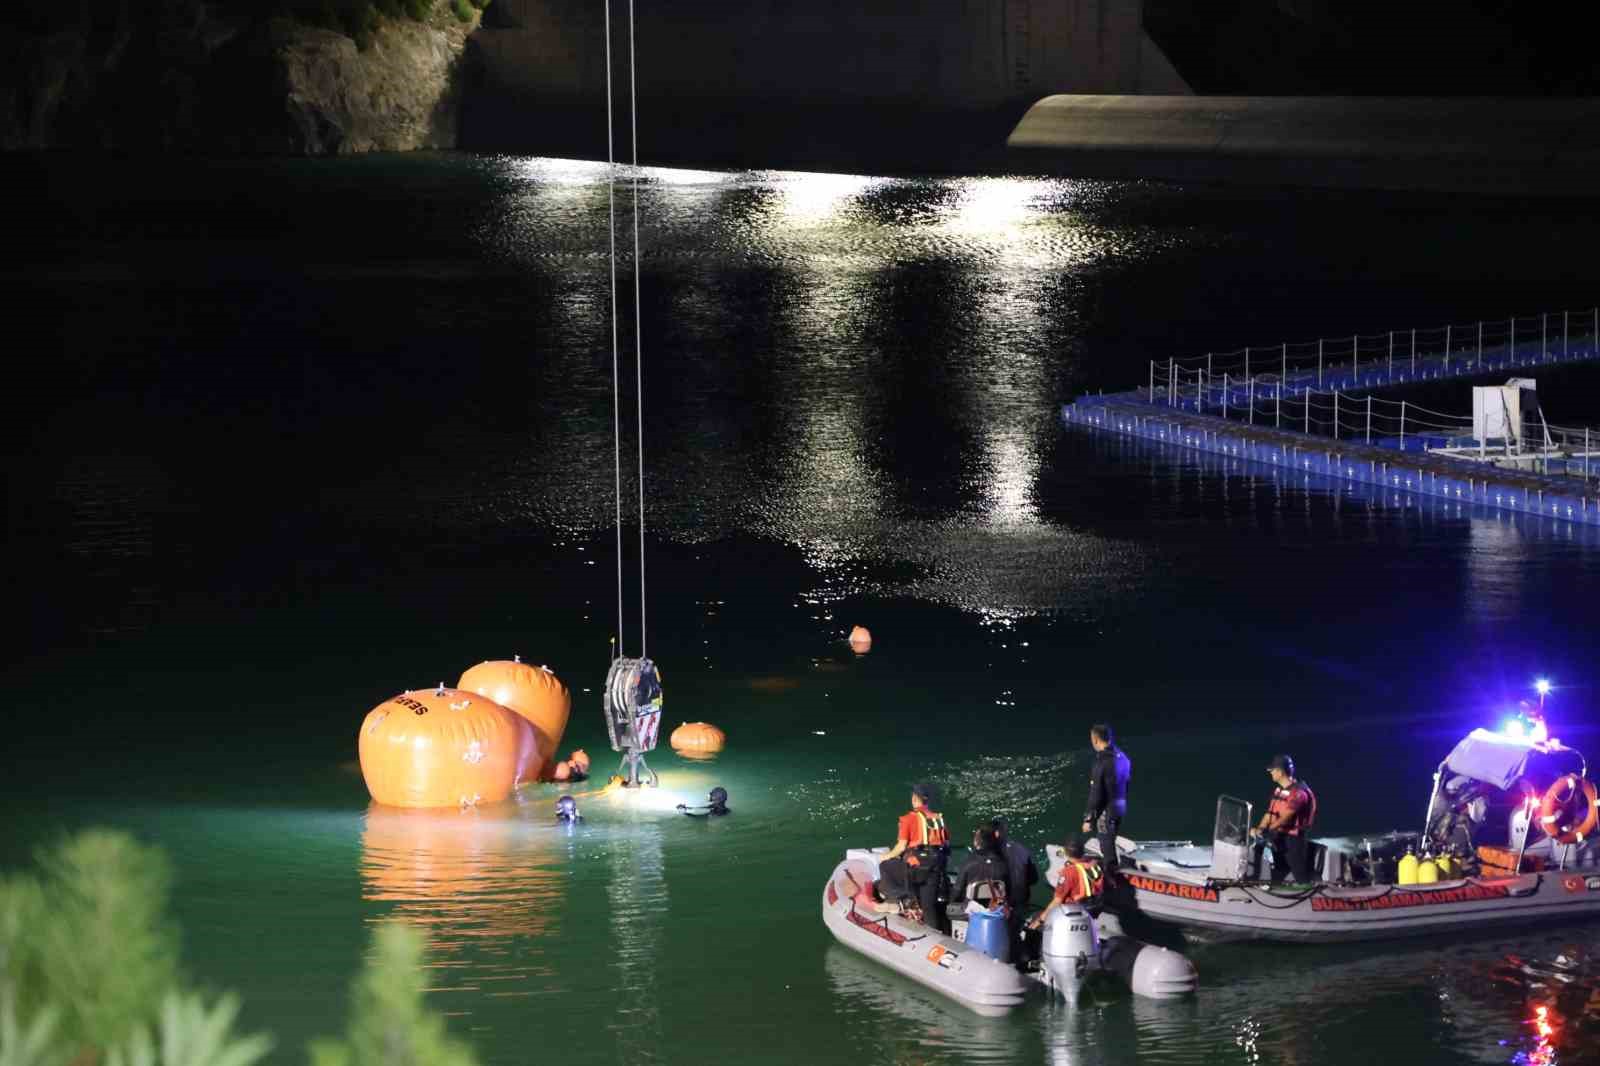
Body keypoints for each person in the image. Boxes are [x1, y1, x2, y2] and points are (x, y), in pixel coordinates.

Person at [874, 783, 951, 933]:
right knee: (928, 907)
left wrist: (885, 856)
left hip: (915, 870)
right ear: (927, 801)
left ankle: (897, 900)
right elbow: (946, 847)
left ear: (915, 799)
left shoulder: (907, 819)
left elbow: (901, 847)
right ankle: (934, 936)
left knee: (886, 866)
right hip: (935, 869)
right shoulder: (939, 820)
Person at [1251, 754, 1318, 883]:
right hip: (1279, 838)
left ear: (1280, 772)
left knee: (1300, 875)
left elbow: (1285, 818)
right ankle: (1271, 893)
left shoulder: (1299, 793)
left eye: (1272, 770)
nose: (1270, 773)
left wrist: (1266, 831)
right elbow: (1269, 814)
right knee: (1275, 869)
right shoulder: (1279, 791)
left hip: (1294, 841)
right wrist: (1261, 828)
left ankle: (1306, 893)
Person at [1081, 724, 1131, 873]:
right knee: (1111, 836)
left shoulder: (1101, 762)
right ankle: (1112, 868)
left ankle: (1112, 877)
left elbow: (1096, 793)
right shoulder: (1123, 756)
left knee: (1106, 842)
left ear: (1096, 740)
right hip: (1120, 805)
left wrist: (1088, 819)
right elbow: (1126, 781)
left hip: (1107, 810)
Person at [1026, 837, 1103, 930]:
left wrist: (1040, 920)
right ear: (1083, 851)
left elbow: (1057, 901)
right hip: (1095, 906)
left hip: (1075, 910)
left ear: (1066, 853)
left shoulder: (1068, 873)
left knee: (1035, 917)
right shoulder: (1095, 864)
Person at [991, 815, 1039, 960]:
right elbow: (1034, 878)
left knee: (1007, 931)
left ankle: (1013, 955)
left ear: (996, 834)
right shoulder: (1022, 849)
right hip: (1022, 898)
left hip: (1005, 900)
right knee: (1015, 926)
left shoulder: (993, 853)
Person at [951, 827, 1010, 913]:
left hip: (971, 911)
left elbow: (957, 891)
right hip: (996, 909)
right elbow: (1009, 889)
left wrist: (951, 902)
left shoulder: (969, 863)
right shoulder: (1003, 863)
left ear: (976, 842)